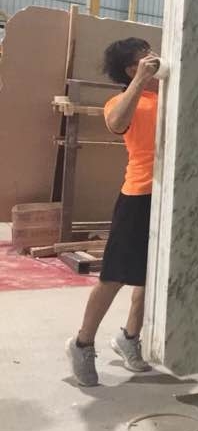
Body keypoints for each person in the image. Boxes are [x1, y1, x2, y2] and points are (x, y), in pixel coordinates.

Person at [66, 38, 160, 386]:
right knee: (114, 276)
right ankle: (82, 343)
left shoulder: (168, 95)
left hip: (169, 198)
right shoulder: (119, 102)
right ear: (130, 69)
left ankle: (129, 338)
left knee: (152, 275)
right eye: (144, 58)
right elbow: (117, 124)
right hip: (138, 196)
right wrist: (141, 81)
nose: (154, 59)